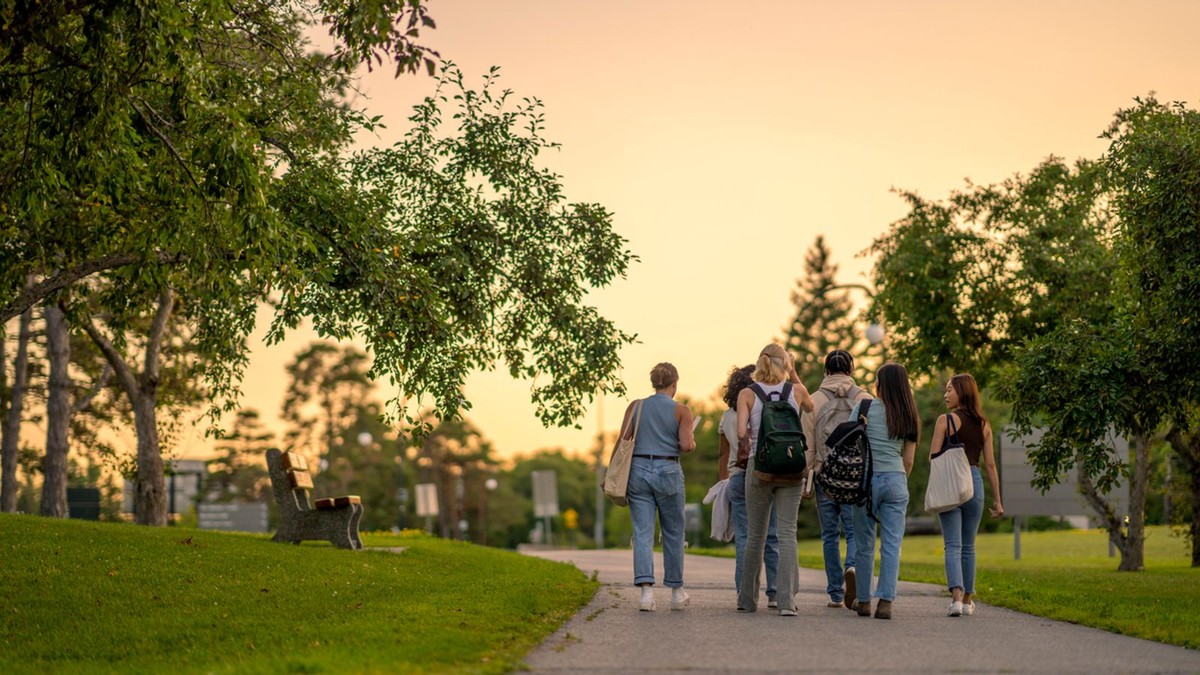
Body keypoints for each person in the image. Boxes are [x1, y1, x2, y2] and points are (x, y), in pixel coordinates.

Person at [736, 343, 814, 616]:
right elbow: (811, 406)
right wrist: (793, 375)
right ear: (786, 364)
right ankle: (786, 603)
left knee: (755, 536)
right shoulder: (797, 391)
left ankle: (747, 600)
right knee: (787, 534)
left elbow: (741, 434)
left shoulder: (747, 393)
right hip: (792, 465)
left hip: (760, 467)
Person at [620, 362, 696, 612]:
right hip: (668, 471)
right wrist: (691, 441)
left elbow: (623, 441)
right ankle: (676, 593)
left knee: (642, 532)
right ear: (674, 385)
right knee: (673, 532)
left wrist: (612, 473)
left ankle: (645, 594)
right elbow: (685, 446)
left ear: (654, 384)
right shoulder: (682, 411)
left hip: (638, 471)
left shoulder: (636, 406)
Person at [801, 349, 871, 610]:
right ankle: (852, 566)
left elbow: (807, 443)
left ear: (826, 370)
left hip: (824, 475)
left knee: (829, 534)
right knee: (853, 532)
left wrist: (807, 478)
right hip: (854, 476)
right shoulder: (864, 399)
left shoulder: (814, 400)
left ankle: (834, 593)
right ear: (851, 369)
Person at [850, 362, 919, 620]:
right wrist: (897, 478)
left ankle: (864, 600)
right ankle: (886, 602)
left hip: (865, 481)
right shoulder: (908, 414)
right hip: (896, 479)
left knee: (864, 543)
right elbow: (909, 460)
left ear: (880, 384)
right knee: (892, 544)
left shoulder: (863, 407)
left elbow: (849, 442)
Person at [932, 373, 1004, 617]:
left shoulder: (945, 420)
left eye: (949, 389)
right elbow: (991, 465)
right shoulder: (984, 424)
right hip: (974, 482)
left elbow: (934, 458)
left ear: (962, 391)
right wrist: (998, 500)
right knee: (968, 546)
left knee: (952, 544)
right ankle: (968, 600)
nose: (946, 394)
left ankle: (955, 599)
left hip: (951, 482)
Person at [717, 364, 783, 609]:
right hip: (765, 475)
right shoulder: (764, 409)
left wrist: (724, 481)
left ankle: (743, 592)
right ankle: (774, 592)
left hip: (736, 478)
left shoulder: (727, 416)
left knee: (744, 538)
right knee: (772, 535)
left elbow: (723, 456)